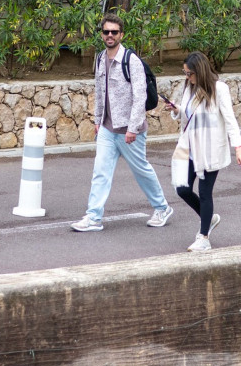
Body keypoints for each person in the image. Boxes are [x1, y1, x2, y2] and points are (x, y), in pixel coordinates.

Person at [71, 13, 173, 232]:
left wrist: (133, 127)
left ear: (121, 35)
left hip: (129, 131)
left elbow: (140, 96)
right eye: (106, 31)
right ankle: (94, 217)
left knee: (141, 170)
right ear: (101, 34)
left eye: (114, 32)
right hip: (108, 129)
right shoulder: (99, 58)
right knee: (100, 172)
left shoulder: (131, 61)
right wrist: (98, 120)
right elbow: (99, 92)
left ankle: (162, 207)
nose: (110, 35)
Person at [164, 52, 241, 252]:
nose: (187, 77)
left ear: (199, 71)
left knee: (204, 192)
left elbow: (230, 120)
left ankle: (204, 238)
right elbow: (187, 114)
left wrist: (239, 149)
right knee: (182, 189)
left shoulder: (219, 89)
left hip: (211, 149)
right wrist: (176, 110)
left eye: (189, 73)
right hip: (190, 147)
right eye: (184, 73)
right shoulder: (189, 88)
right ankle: (208, 218)